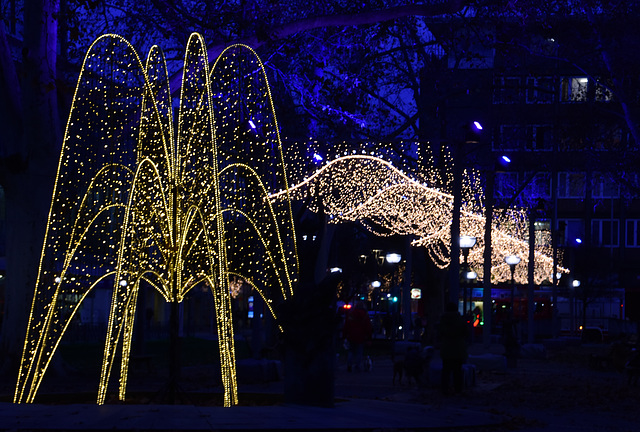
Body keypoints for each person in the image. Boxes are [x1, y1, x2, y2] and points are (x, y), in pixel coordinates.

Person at [438, 302, 468, 395]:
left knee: (446, 370)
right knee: (457, 371)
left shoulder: (442, 320)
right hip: (458, 348)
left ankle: (445, 389)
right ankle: (458, 389)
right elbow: (466, 333)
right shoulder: (460, 320)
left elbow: (439, 333)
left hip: (446, 348)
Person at [342, 301, 372, 372]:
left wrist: (344, 335)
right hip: (361, 336)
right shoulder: (365, 315)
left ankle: (349, 365)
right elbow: (368, 327)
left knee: (351, 351)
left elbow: (346, 325)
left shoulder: (351, 314)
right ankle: (357, 365)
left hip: (351, 335)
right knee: (359, 351)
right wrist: (369, 337)